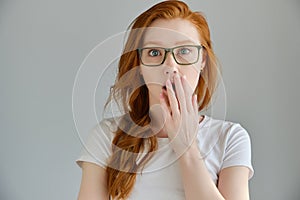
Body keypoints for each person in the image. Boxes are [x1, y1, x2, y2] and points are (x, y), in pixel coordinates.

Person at [76, 1, 254, 199]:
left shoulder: (230, 138)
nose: (171, 66)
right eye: (154, 53)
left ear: (202, 60)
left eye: (184, 51)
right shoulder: (106, 137)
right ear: (139, 65)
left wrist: (186, 147)